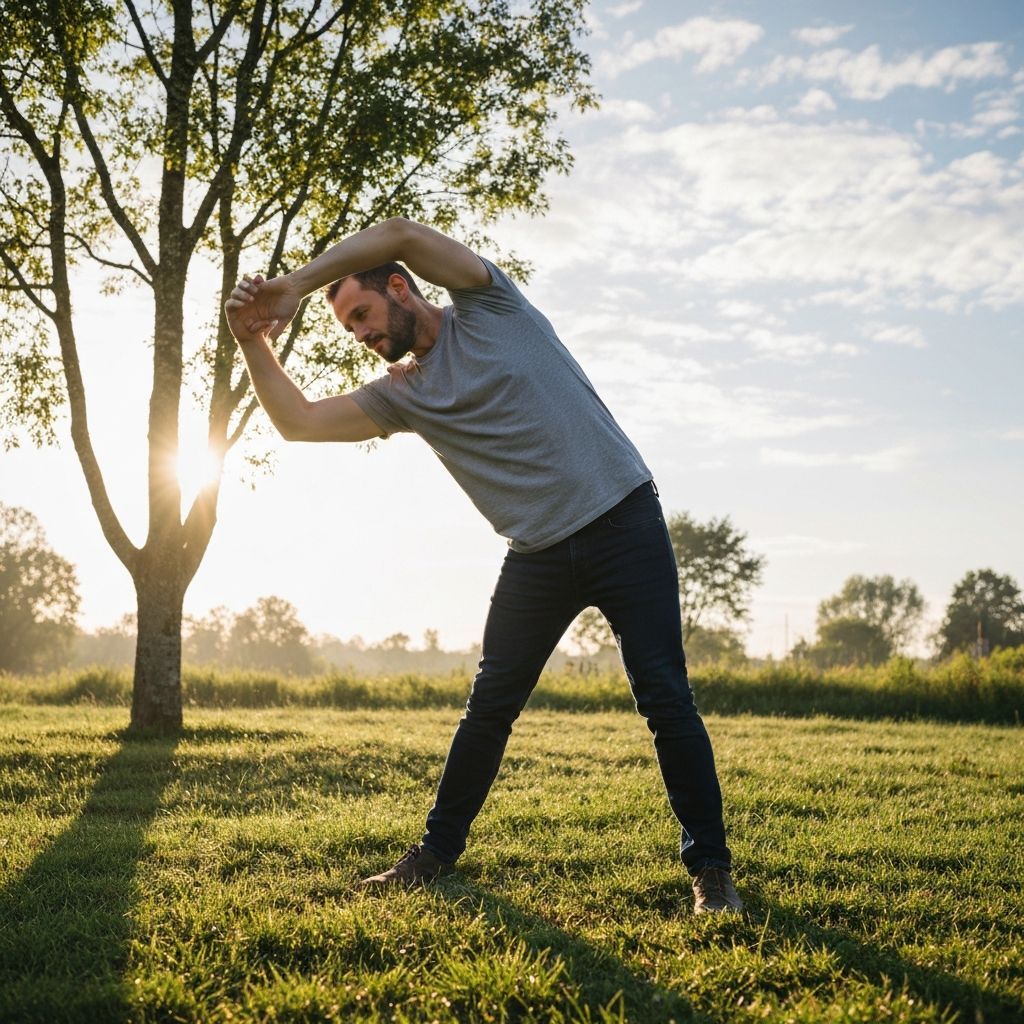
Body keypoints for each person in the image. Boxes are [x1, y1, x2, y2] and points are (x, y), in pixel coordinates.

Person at [224, 216, 743, 914]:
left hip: (624, 522)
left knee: (665, 698)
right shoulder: (404, 393)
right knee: (488, 707)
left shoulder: (494, 307)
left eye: (363, 315)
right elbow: (299, 423)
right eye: (349, 328)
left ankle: (711, 871)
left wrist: (292, 286)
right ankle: (435, 854)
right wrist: (254, 343)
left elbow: (401, 231)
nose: (361, 335)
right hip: (536, 555)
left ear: (402, 289)